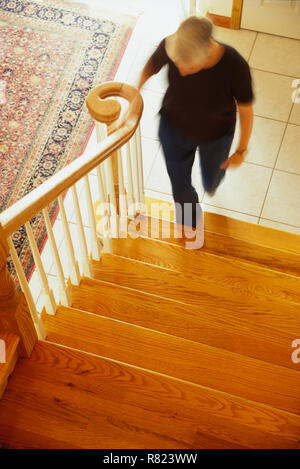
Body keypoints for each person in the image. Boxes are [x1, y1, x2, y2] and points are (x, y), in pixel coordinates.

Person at [135, 16, 254, 248]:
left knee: (211, 180)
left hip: (216, 137)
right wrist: (134, 94)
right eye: (176, 62)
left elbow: (246, 110)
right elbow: (151, 67)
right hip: (173, 129)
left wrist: (241, 149)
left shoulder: (235, 65)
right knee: (180, 185)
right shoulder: (174, 44)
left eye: (185, 64)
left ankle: (213, 182)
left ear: (208, 50)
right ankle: (190, 221)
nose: (178, 68)